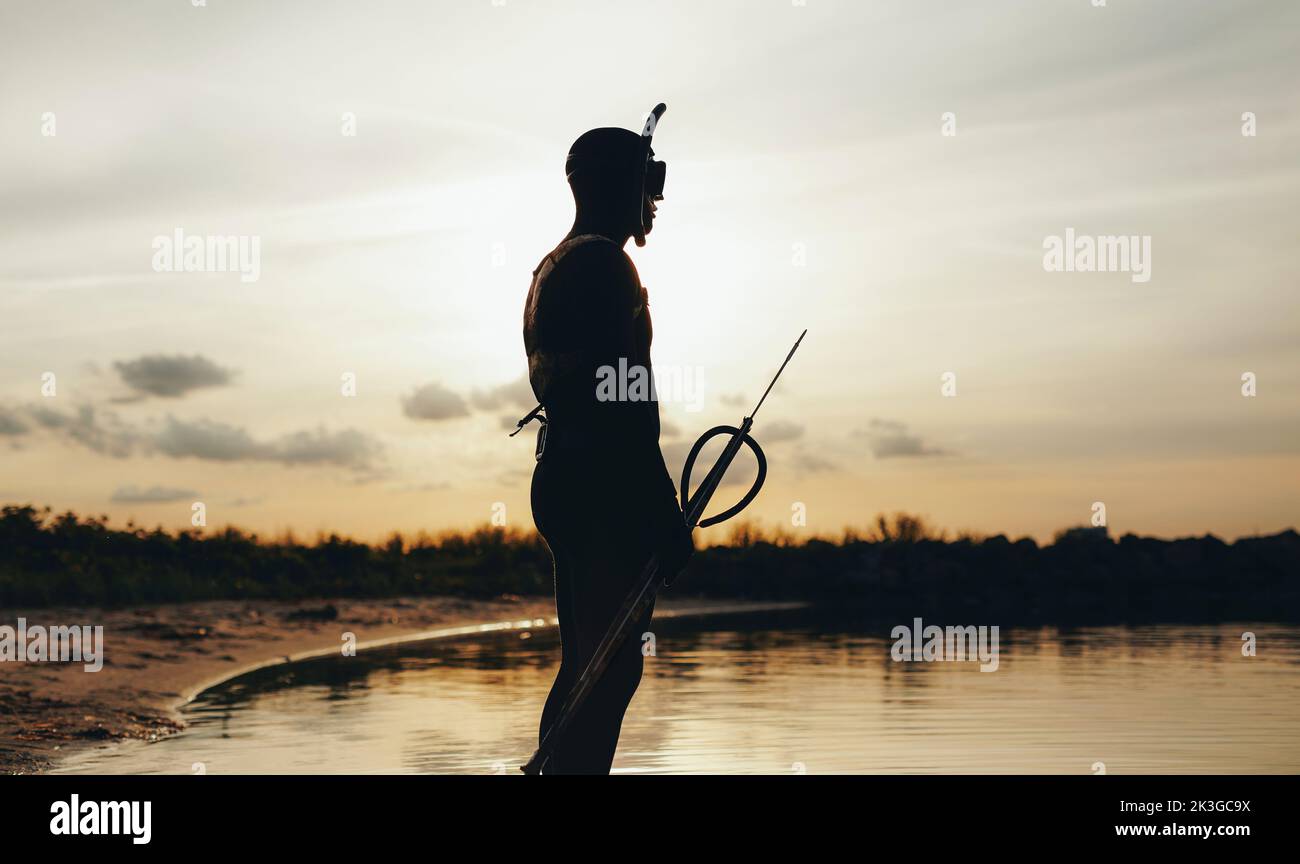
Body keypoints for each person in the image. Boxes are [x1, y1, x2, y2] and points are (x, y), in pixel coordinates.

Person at [521, 105, 693, 774]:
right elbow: (625, 403)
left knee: (589, 663)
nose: (654, 200)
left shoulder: (554, 266)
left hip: (566, 476)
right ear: (616, 186)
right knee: (610, 667)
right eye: (647, 182)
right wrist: (660, 511)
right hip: (602, 486)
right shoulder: (604, 268)